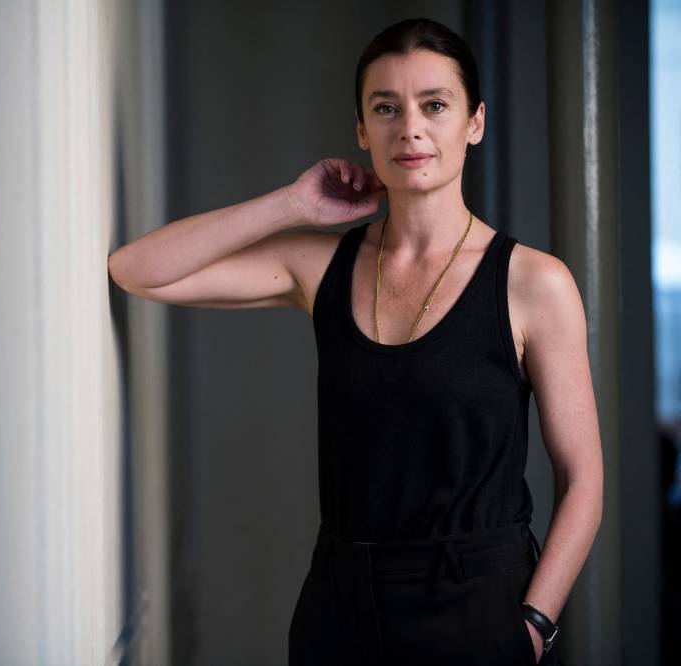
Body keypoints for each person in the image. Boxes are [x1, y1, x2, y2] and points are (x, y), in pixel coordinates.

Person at [107, 16, 603, 666]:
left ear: (474, 122)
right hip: (339, 607)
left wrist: (534, 624)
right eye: (386, 108)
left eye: (434, 105)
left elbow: (584, 480)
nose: (411, 128)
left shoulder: (534, 282)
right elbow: (137, 269)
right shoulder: (321, 267)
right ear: (363, 131)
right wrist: (292, 204)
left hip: (479, 606)